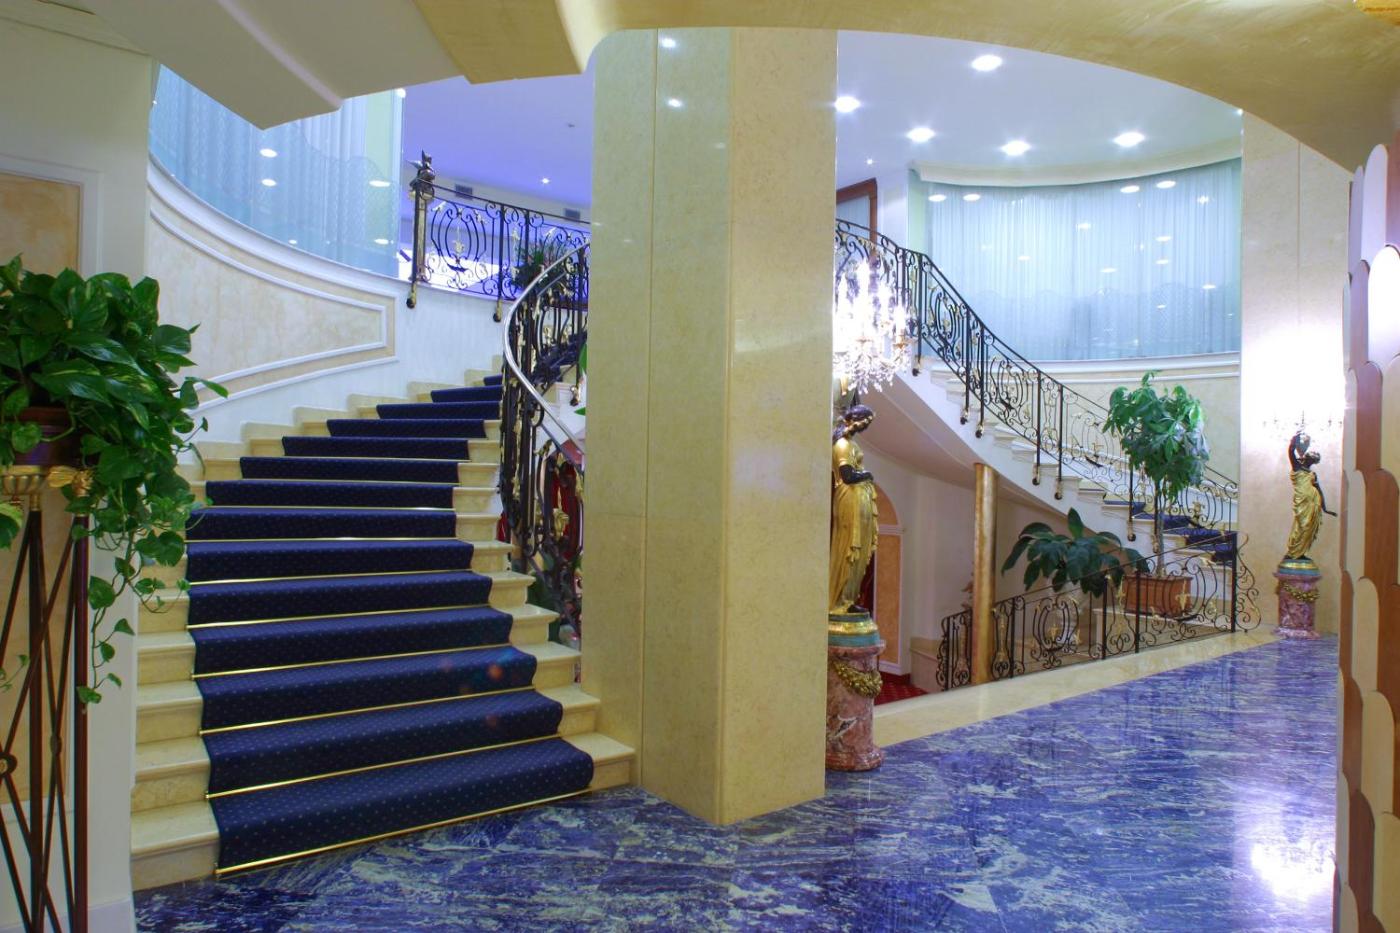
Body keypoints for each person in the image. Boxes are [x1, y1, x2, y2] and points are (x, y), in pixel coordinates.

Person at [830, 404, 879, 614]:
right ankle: (839, 598)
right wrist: (867, 475)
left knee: (860, 552)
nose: (865, 427)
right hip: (849, 498)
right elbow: (848, 475)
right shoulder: (842, 444)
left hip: (858, 498)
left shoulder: (851, 443)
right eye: (864, 423)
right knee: (850, 547)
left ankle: (849, 598)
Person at [1285, 431, 1335, 560]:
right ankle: (1293, 552)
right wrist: (1295, 438)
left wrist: (1325, 508)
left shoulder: (1312, 474)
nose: (1311, 460)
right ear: (1306, 457)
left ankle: (1301, 552)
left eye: (1314, 459)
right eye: (1311, 457)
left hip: (1314, 503)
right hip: (1302, 502)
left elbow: (1319, 490)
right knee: (1302, 525)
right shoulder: (1297, 466)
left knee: (1309, 528)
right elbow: (1291, 451)